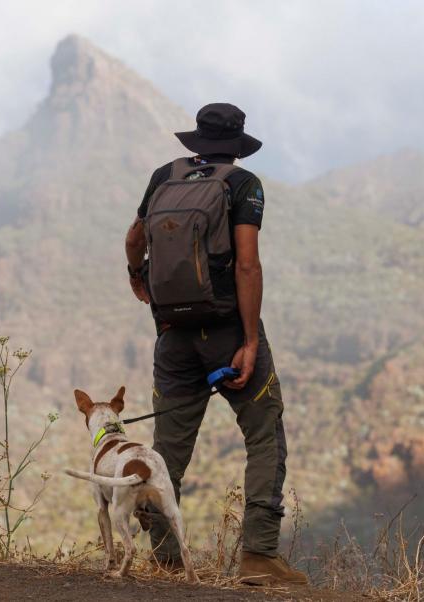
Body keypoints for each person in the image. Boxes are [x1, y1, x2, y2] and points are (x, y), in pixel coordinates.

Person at [124, 103, 307, 586]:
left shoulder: (164, 176)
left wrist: (138, 280)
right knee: (264, 433)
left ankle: (163, 560)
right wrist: (249, 339)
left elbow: (133, 239)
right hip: (227, 330)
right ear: (238, 144)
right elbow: (247, 264)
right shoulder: (242, 185)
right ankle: (259, 558)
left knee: (167, 451)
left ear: (197, 141)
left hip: (173, 336)